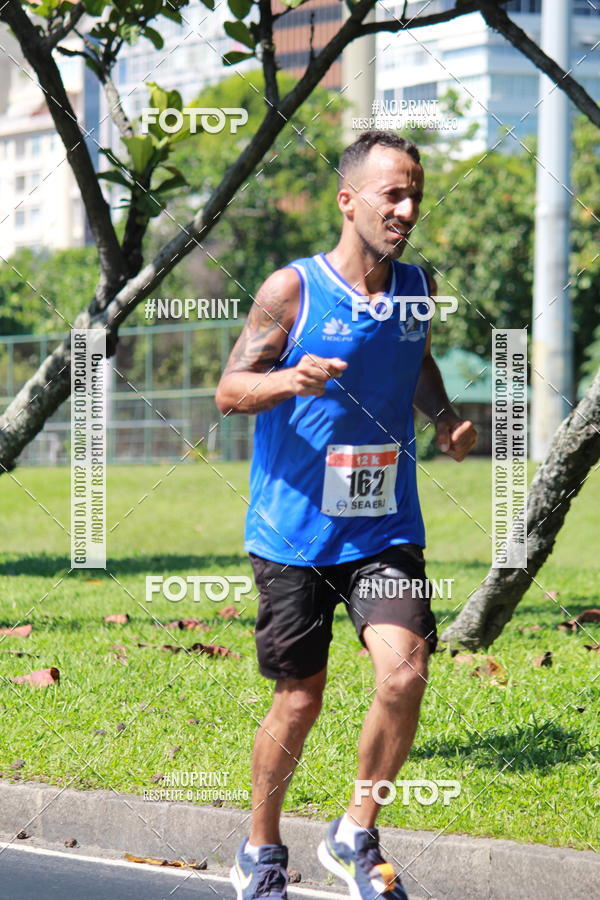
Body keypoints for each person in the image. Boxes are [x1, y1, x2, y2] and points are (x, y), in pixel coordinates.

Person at [215, 130, 477, 900]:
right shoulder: (292, 290)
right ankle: (260, 849)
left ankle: (355, 832)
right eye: (392, 194)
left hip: (384, 527)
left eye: (415, 197)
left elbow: (415, 355)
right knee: (299, 698)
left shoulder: (417, 287)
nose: (407, 210)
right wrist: (288, 378)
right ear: (348, 200)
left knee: (406, 671)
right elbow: (230, 391)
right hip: (293, 533)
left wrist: (443, 418)